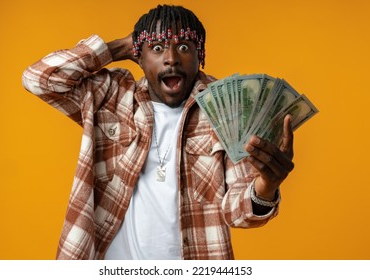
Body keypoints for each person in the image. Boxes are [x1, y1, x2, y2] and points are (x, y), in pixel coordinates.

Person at [22, 4, 294, 260]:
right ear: (138, 56)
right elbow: (39, 80)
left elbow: (238, 214)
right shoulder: (111, 95)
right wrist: (118, 47)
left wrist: (266, 186)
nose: (171, 59)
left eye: (184, 47)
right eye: (158, 47)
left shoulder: (226, 109)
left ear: (200, 56)